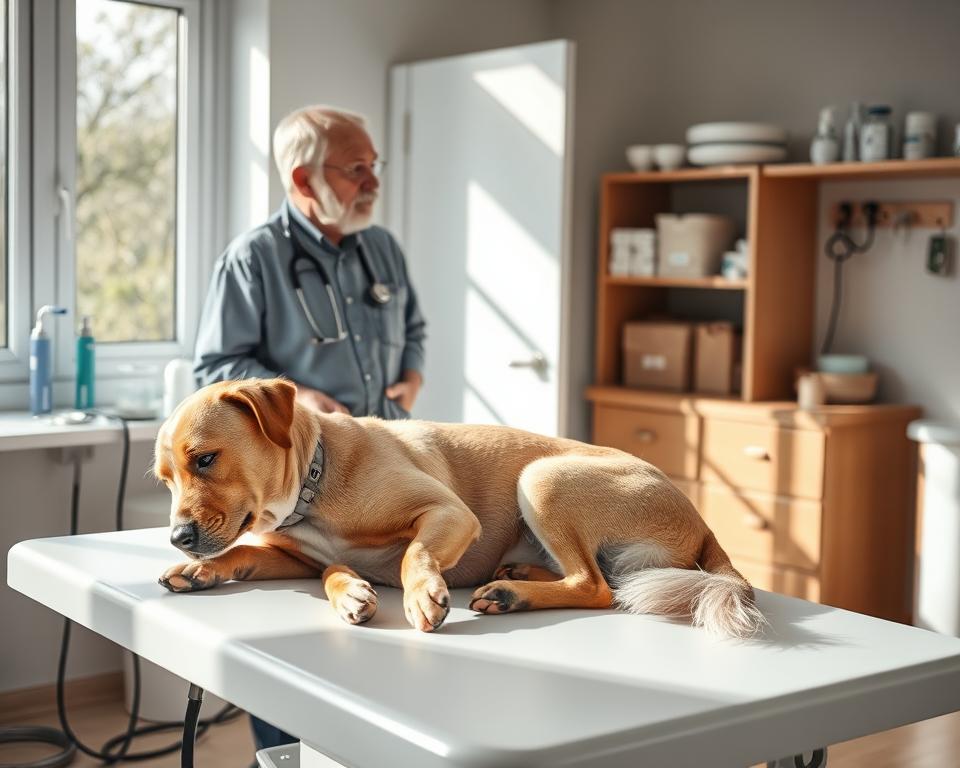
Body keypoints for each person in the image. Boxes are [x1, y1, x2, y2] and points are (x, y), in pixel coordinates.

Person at [192, 105, 426, 752]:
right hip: (300, 486)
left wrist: (412, 372)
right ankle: (285, 758)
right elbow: (214, 368)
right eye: (357, 169)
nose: (373, 181)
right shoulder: (252, 259)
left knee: (385, 631)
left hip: (388, 463)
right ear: (302, 180)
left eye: (374, 165)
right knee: (298, 652)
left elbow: (415, 329)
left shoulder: (381, 247)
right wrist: (299, 402)